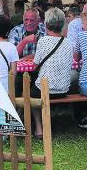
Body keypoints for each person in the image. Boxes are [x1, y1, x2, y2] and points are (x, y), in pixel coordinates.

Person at [31, 8, 72, 137]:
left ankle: (39, 128)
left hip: (45, 90)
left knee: (29, 93)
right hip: (63, 89)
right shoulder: (68, 42)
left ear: (46, 24)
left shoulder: (43, 41)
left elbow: (34, 66)